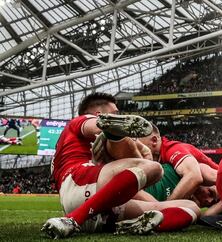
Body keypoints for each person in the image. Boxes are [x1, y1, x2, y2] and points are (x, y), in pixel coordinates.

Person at [41, 93, 199, 239]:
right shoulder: (79, 121)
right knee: (155, 169)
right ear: (97, 114)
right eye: (116, 113)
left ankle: (126, 227)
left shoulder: (76, 149)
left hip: (98, 202)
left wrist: (140, 149)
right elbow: (93, 126)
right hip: (80, 181)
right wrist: (105, 128)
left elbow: (136, 169)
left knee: (191, 207)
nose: (120, 115)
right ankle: (73, 219)